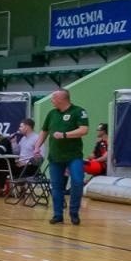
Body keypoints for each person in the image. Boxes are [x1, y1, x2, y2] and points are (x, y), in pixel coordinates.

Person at [36, 87, 89, 225]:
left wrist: (65, 135)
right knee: (56, 186)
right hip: (55, 156)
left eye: (54, 98)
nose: (52, 101)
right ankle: (58, 214)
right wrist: (37, 146)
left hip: (73, 156)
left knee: (77, 182)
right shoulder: (52, 113)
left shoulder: (78, 111)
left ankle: (74, 212)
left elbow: (84, 130)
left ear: (62, 99)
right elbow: (44, 131)